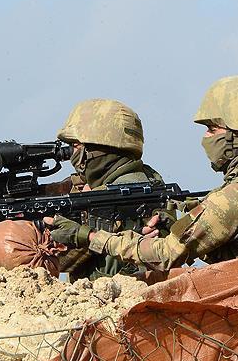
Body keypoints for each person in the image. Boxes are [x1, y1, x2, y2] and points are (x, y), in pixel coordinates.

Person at [47, 76, 238, 270]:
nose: (205, 138)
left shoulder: (236, 199)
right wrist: (179, 220)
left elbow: (164, 255)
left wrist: (87, 236)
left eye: (212, 129)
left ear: (235, 136)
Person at [55, 99, 169, 279]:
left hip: (115, 292)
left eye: (76, 146)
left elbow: (61, 261)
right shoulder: (148, 180)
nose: (72, 155)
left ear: (99, 147)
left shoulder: (117, 193)